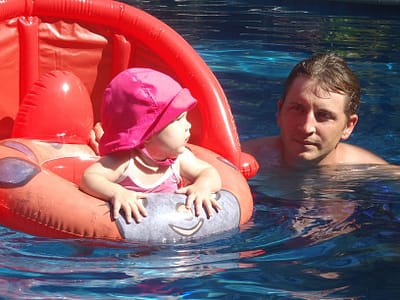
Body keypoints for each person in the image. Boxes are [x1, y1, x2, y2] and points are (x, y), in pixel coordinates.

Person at [80, 68, 222, 224]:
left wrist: (202, 186)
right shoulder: (125, 161)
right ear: (146, 134)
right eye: (178, 119)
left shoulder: (179, 159)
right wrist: (117, 192)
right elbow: (89, 178)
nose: (188, 125)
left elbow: (208, 172)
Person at [242, 52, 387, 170]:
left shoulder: (374, 173)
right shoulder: (238, 159)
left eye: (323, 115)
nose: (306, 128)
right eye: (297, 109)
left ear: (348, 126)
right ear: (280, 111)